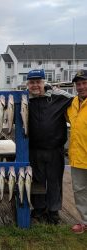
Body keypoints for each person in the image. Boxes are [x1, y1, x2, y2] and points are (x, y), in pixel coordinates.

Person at [27, 69, 73, 224]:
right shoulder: (25, 100)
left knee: (54, 181)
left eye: (38, 82)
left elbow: (75, 99)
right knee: (37, 180)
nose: (35, 86)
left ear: (43, 82)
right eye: (32, 82)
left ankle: (53, 211)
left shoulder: (58, 97)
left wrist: (56, 89)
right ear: (27, 84)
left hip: (55, 149)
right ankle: (39, 209)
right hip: (34, 149)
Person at [67, 70, 87, 234]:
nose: (81, 87)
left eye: (84, 83)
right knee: (80, 191)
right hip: (78, 157)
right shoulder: (72, 103)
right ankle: (85, 222)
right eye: (78, 84)